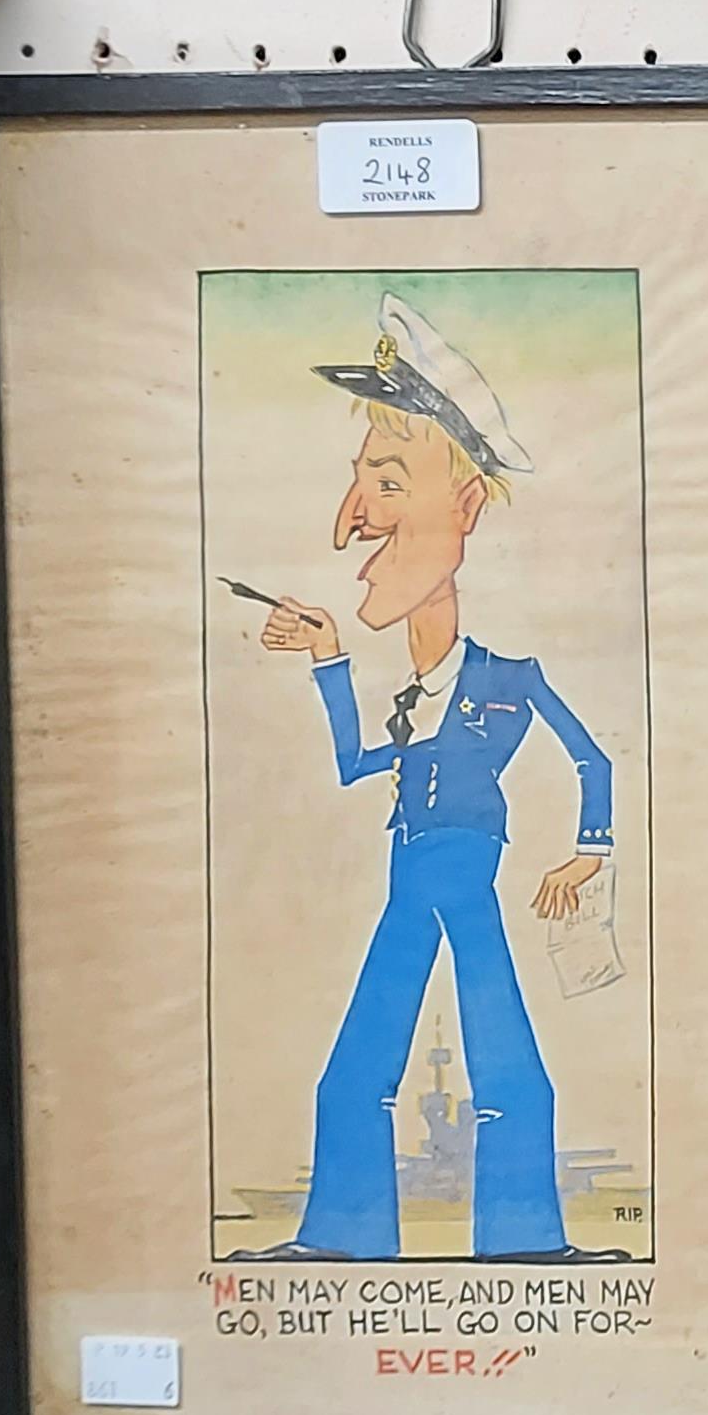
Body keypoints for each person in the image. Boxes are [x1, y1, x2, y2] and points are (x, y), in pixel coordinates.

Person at [247, 293, 612, 1261]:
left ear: (467, 506)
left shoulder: (510, 676)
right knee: (356, 1073)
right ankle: (343, 1237)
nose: (349, 521)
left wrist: (589, 852)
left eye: (388, 480)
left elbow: (593, 757)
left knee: (507, 1070)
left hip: (464, 875)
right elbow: (354, 764)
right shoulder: (408, 696)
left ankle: (527, 1243)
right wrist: (329, 661)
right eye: (359, 479)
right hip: (412, 877)